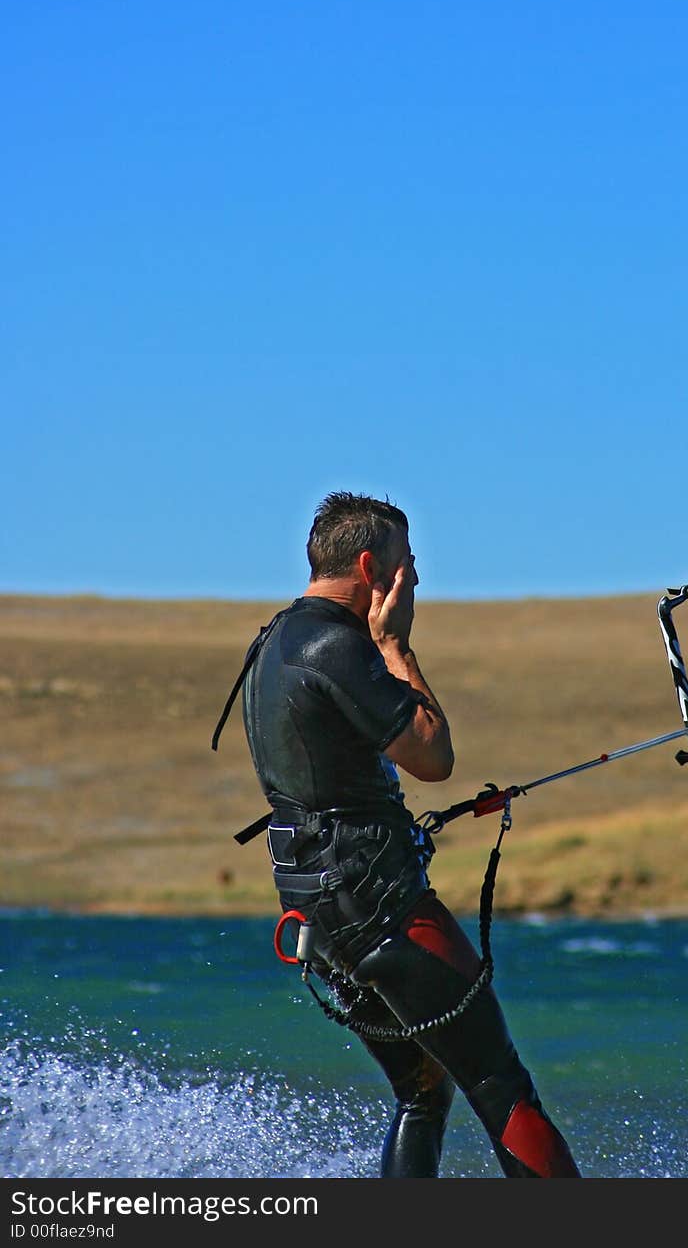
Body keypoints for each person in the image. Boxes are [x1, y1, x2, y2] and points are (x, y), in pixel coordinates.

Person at [216, 491, 580, 1178]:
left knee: (422, 1092)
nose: (414, 579)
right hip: (382, 914)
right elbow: (434, 757)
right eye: (407, 565)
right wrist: (395, 644)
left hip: (316, 916)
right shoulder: (340, 646)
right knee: (503, 1089)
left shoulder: (277, 637)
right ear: (371, 566)